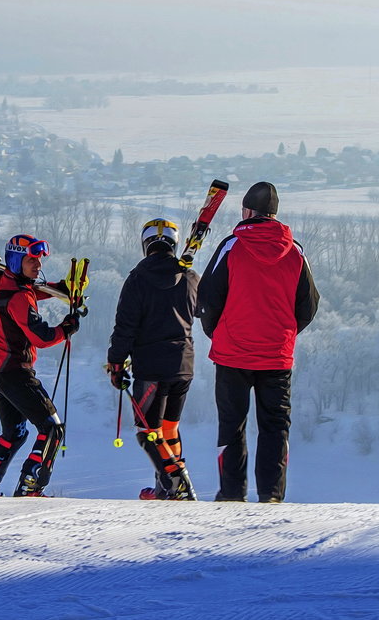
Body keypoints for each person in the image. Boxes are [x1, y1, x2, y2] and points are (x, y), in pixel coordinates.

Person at [197, 181, 319, 503]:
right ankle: (272, 495)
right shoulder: (295, 252)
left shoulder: (232, 246)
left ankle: (232, 494)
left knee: (232, 426)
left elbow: (207, 299)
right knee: (275, 427)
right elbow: (308, 306)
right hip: (276, 358)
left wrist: (218, 332)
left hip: (232, 354)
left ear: (247, 211)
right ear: (273, 214)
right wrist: (283, 335)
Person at [0, 233, 81, 497]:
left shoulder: (3, 284)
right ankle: (31, 488)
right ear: (17, 261)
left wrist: (60, 288)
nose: (39, 265)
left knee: (15, 433)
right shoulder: (18, 296)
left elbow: (30, 291)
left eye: (40, 259)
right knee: (52, 429)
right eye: (32, 260)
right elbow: (41, 337)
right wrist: (66, 328)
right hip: (16, 373)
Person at [106, 219, 200, 501]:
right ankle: (166, 487)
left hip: (151, 367)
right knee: (168, 429)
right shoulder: (190, 277)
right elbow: (204, 310)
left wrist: (116, 363)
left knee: (147, 432)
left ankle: (176, 484)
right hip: (184, 364)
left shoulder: (137, 278)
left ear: (146, 244)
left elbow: (125, 327)